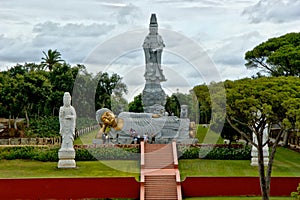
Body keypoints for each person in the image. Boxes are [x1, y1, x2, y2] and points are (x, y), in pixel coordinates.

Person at [95, 108, 164, 140]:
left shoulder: (123, 115)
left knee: (169, 121)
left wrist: (152, 115)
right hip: (145, 136)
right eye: (104, 119)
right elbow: (98, 138)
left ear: (111, 112)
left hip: (147, 123)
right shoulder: (113, 132)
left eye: (107, 114)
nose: (108, 117)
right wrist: (103, 127)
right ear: (104, 123)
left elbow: (139, 115)